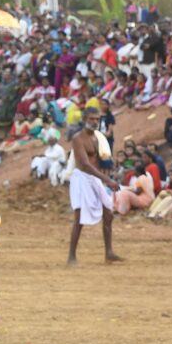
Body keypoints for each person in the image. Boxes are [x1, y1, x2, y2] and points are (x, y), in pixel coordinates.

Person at [67, 106, 121, 266]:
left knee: (108, 214)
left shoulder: (98, 138)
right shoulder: (78, 138)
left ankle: (109, 252)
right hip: (82, 179)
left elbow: (102, 160)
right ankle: (71, 256)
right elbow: (84, 164)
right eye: (91, 119)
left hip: (95, 178)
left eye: (97, 119)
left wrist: (108, 175)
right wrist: (107, 180)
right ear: (84, 120)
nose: (94, 122)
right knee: (79, 218)